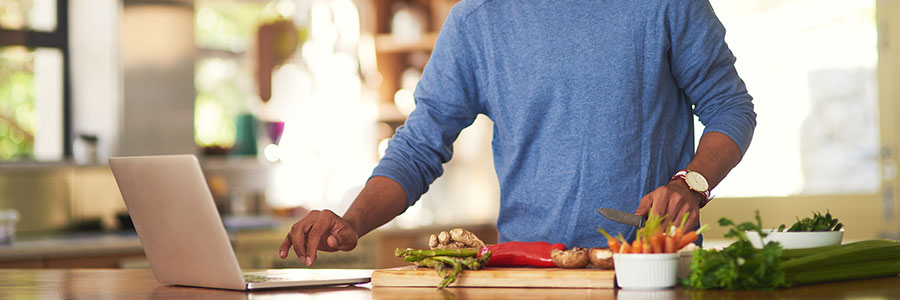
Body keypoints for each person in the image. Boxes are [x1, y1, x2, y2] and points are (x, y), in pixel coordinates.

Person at [279, 0, 756, 266]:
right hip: (529, 273)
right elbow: (419, 145)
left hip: (652, 269)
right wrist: (352, 220)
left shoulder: (665, 4)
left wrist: (690, 183)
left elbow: (730, 106)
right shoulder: (476, 22)